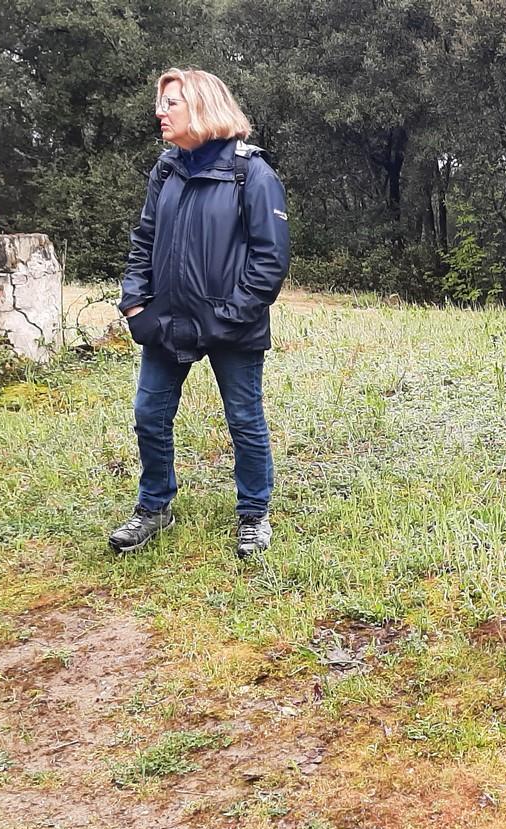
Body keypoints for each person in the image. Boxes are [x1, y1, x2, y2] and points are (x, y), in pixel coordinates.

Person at [109, 68, 291, 557]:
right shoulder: (166, 169)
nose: (159, 112)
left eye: (171, 102)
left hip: (232, 326)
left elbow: (269, 261)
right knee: (149, 414)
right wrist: (135, 304)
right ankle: (155, 507)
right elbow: (143, 241)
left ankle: (254, 514)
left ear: (203, 106)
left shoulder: (251, 172)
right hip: (165, 324)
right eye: (161, 103)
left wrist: (227, 317)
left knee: (244, 419)